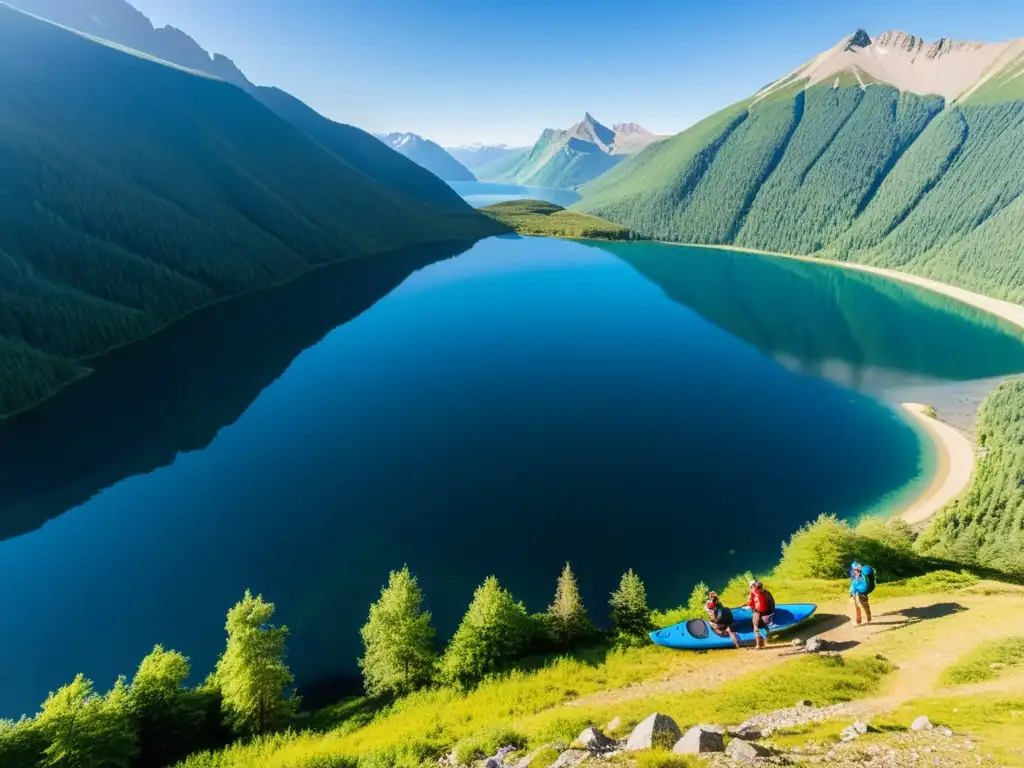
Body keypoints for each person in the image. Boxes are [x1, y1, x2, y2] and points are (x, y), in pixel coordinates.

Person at [747, 580, 776, 650]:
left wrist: (750, 603)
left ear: (755, 587)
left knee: (755, 627)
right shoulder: (766, 592)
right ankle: (768, 639)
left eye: (752, 587)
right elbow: (772, 602)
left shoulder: (756, 594)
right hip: (767, 611)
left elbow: (750, 603)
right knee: (765, 625)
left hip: (758, 612)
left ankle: (758, 645)